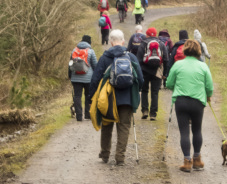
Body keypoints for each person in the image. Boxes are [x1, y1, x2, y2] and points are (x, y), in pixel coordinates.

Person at [89, 29, 143, 166]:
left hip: (108, 99)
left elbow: (95, 79)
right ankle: (120, 157)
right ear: (123, 41)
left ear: (111, 42)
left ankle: (105, 154)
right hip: (127, 99)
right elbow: (140, 79)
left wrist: (91, 96)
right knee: (124, 127)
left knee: (107, 125)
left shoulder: (105, 57)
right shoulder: (131, 57)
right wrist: (136, 92)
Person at [166, 39, 213, 172]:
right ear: (198, 51)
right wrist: (208, 95)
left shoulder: (178, 64)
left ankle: (187, 161)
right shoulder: (203, 66)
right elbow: (209, 86)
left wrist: (177, 86)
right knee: (197, 130)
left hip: (181, 101)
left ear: (185, 50)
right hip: (198, 102)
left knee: (184, 131)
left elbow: (169, 83)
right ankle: (197, 160)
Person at [137, 27, 169, 120]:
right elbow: (166, 59)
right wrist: (164, 73)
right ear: (156, 35)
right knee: (155, 92)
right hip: (157, 71)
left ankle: (144, 111)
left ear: (147, 34)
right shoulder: (161, 44)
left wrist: (140, 72)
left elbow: (138, 60)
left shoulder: (143, 44)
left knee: (144, 91)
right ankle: (153, 114)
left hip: (144, 71)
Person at [68, 35, 98, 122]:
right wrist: (96, 77)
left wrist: (70, 75)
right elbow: (95, 65)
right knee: (88, 95)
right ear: (89, 42)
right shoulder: (91, 51)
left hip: (75, 78)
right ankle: (88, 115)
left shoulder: (74, 50)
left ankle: (79, 116)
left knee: (77, 96)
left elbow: (70, 64)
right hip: (88, 78)